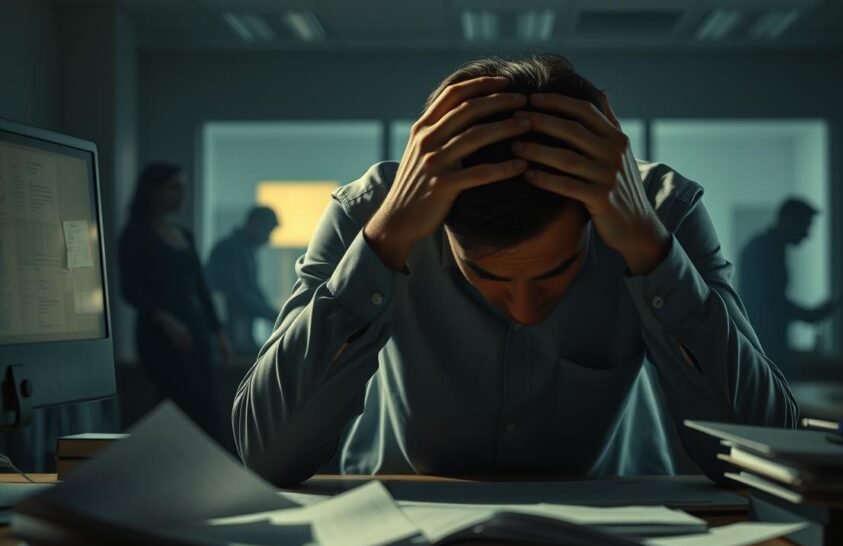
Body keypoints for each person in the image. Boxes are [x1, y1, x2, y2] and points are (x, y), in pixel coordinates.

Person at [233, 55, 798, 486]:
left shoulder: (661, 214)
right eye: (488, 278)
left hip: (615, 541)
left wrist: (651, 253)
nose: (527, 312)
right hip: (398, 538)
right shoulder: (373, 215)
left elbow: (769, 451)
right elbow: (265, 454)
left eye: (558, 273)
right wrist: (383, 243)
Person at [120, 162, 231, 437]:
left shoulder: (185, 235)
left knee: (205, 402)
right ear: (153, 190)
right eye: (174, 188)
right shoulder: (135, 234)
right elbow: (129, 289)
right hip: (159, 333)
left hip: (194, 328)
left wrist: (218, 332)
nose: (181, 195)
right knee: (183, 401)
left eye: (182, 188)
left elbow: (201, 287)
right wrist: (166, 320)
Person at [738, 197, 836, 374]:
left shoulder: (763, 247)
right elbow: (771, 303)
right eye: (805, 225)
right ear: (789, 219)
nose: (807, 233)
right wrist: (810, 315)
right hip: (764, 346)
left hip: (761, 345)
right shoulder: (765, 250)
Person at [207, 206, 280, 355]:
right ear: (254, 224)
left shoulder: (243, 250)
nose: (268, 238)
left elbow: (253, 290)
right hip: (228, 332)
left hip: (237, 331)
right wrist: (274, 315)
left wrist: (275, 314)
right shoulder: (230, 249)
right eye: (267, 230)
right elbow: (237, 294)